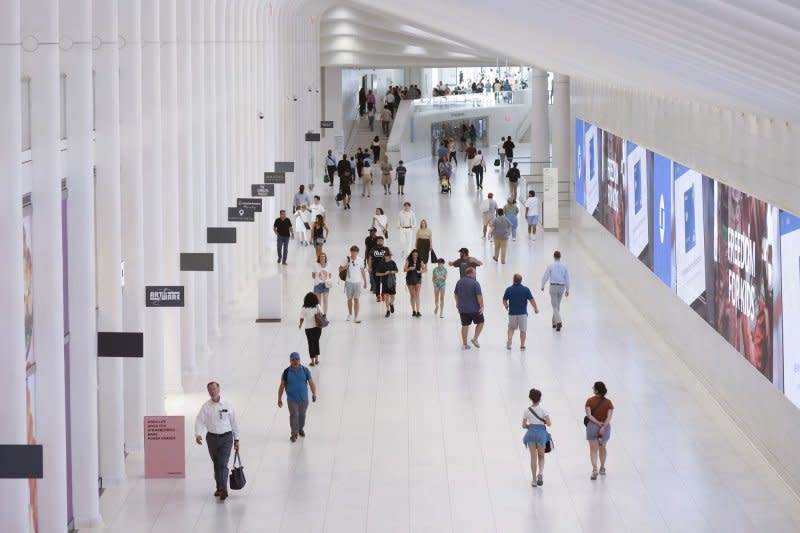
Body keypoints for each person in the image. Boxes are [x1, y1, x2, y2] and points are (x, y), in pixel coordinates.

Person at [194, 381, 241, 500]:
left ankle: (223, 489)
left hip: (226, 438)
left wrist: (237, 439)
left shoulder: (227, 404)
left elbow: (234, 422)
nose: (212, 391)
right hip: (212, 438)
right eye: (210, 390)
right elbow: (199, 420)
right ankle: (219, 487)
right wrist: (198, 434)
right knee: (216, 464)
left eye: (214, 389)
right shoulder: (206, 407)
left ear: (218, 389)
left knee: (222, 464)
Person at [277, 352, 317, 442]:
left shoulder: (305, 370)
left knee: (302, 415)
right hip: (292, 399)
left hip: (304, 399)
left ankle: (300, 429)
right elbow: (281, 386)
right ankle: (294, 433)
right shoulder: (286, 372)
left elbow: (311, 383)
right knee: (294, 415)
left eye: (297, 359)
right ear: (290, 361)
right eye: (293, 360)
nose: (295, 362)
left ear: (299, 360)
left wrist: (314, 393)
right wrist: (279, 398)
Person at [522, 388, 551, 487]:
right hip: (541, 435)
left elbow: (523, 425)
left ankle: (534, 480)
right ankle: (540, 473)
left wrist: (530, 426)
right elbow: (549, 424)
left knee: (533, 457)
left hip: (530, 434)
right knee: (541, 456)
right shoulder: (543, 410)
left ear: (531, 398)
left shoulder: (527, 410)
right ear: (540, 398)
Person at [585, 381, 614, 480]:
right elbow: (609, 417)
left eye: (593, 387)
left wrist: (597, 423)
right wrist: (603, 426)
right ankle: (602, 467)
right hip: (605, 427)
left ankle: (594, 468)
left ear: (596, 390)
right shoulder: (608, 402)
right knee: (603, 448)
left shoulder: (589, 401)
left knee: (593, 450)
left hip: (592, 426)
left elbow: (589, 415)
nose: (592, 388)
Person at [503, 274, 539, 349]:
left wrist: (506, 306)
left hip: (512, 313)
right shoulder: (526, 289)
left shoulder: (509, 289)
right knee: (523, 330)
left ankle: (509, 339)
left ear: (513, 280)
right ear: (521, 280)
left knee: (511, 328)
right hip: (522, 313)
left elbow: (504, 299)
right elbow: (532, 300)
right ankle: (522, 345)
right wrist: (535, 308)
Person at [454, 267, 484, 349]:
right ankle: (475, 339)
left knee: (465, 325)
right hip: (474, 308)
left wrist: (457, 303)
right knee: (481, 322)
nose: (475, 274)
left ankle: (464, 344)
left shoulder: (459, 282)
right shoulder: (475, 283)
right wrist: (482, 306)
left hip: (462, 308)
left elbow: (456, 294)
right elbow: (479, 296)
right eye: (474, 273)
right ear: (470, 273)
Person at [540, 250, 570, 331]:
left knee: (554, 306)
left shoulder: (551, 266)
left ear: (554, 257)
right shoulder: (564, 266)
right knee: (557, 305)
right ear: (560, 257)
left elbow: (545, 276)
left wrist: (542, 285)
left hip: (553, 287)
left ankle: (559, 321)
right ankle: (554, 323)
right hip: (561, 287)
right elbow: (567, 279)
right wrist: (567, 290)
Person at [339, 245, 367, 323]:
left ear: (357, 252)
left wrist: (365, 281)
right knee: (349, 299)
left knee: (357, 299)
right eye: (352, 251)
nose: (354, 253)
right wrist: (346, 267)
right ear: (350, 251)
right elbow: (339, 269)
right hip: (349, 282)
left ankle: (356, 316)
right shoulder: (346, 259)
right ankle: (350, 314)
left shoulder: (360, 260)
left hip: (358, 282)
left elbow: (362, 271)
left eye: (355, 252)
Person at [298, 292, 323, 367]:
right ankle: (317, 359)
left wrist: (300, 324)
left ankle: (312, 361)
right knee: (316, 342)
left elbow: (302, 317)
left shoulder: (304, 308)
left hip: (309, 329)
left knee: (310, 343)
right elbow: (322, 314)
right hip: (318, 327)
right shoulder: (317, 306)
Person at [375, 250, 398, 317]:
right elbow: (376, 274)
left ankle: (391, 304)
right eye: (387, 255)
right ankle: (387, 310)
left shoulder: (393, 263)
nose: (389, 257)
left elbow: (396, 270)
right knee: (386, 296)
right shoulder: (381, 264)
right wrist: (384, 273)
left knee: (393, 296)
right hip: (385, 282)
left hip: (392, 281)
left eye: (389, 256)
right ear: (385, 256)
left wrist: (392, 272)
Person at [404, 249, 426, 317]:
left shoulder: (420, 261)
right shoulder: (408, 260)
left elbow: (425, 269)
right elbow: (404, 269)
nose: (415, 256)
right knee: (412, 295)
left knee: (417, 294)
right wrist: (409, 268)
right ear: (411, 255)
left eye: (416, 255)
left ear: (418, 255)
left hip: (418, 278)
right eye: (413, 255)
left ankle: (418, 311)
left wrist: (421, 271)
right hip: (410, 279)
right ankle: (413, 310)